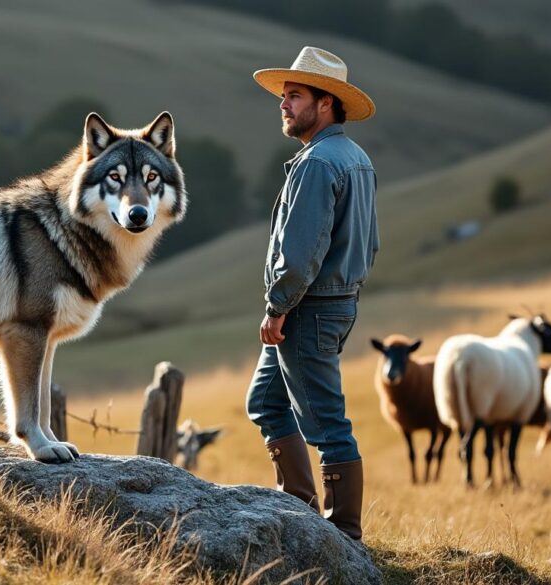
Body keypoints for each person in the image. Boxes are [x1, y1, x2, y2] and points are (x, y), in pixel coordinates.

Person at [246, 46, 378, 540]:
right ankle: (299, 507)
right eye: (284, 96)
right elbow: (371, 243)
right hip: (332, 303)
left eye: (294, 96)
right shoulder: (355, 158)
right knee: (266, 400)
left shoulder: (319, 163)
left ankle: (343, 535)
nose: (283, 104)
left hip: (307, 308)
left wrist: (277, 308)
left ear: (326, 104)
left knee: (326, 422)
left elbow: (301, 254)